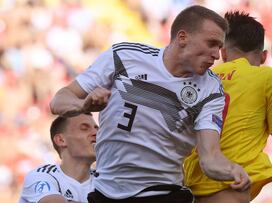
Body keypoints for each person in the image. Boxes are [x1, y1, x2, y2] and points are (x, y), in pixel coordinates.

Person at [49, 5, 250, 203]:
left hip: (164, 193)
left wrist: (233, 170)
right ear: (182, 37)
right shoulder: (124, 57)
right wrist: (82, 106)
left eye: (219, 47)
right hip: (105, 191)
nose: (216, 55)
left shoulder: (211, 90)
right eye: (211, 44)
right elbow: (59, 100)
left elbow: (210, 158)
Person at [183, 11, 272, 203]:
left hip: (189, 189)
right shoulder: (267, 78)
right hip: (228, 188)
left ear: (224, 52)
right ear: (263, 57)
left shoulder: (203, 77)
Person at [19, 113, 98, 203]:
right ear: (61, 140)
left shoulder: (104, 180)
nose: (96, 133)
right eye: (84, 128)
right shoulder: (40, 176)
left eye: (97, 129)